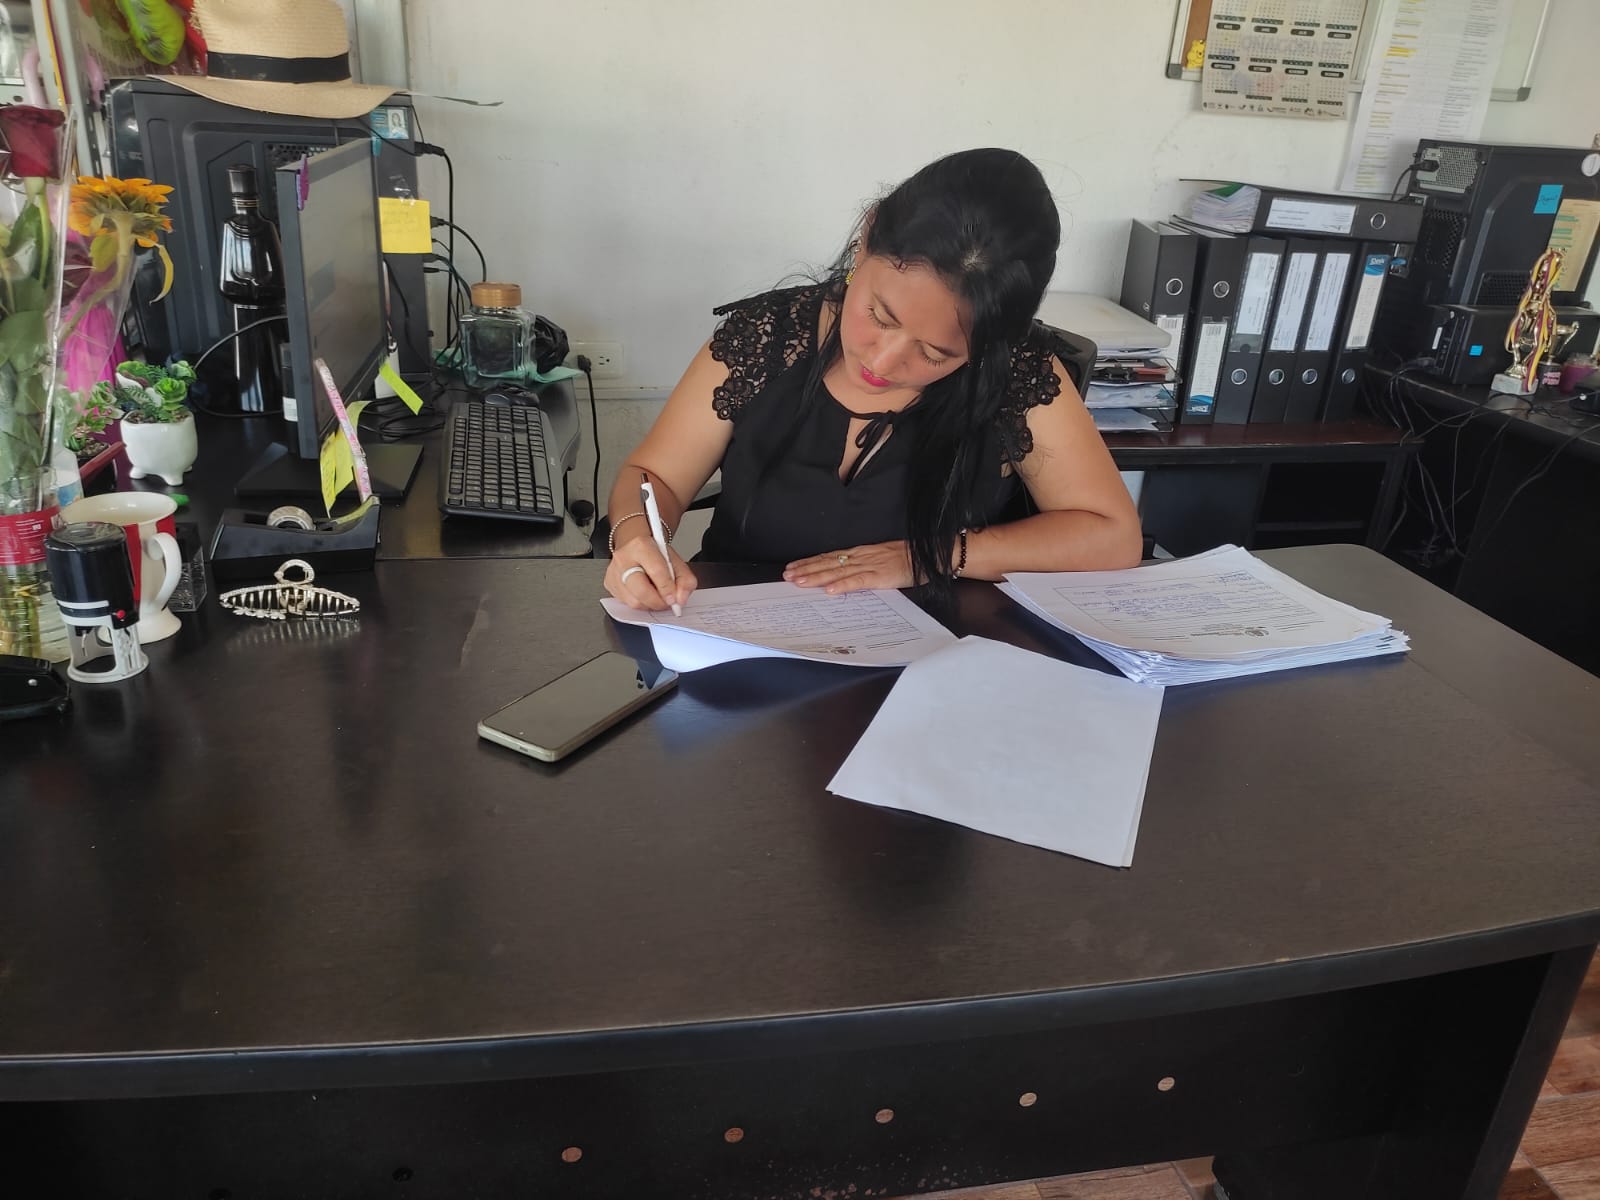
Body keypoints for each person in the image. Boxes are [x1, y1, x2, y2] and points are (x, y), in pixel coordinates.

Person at [604, 148, 1142, 612]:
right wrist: (637, 543)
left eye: (934, 353)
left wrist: (934, 555)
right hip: (733, 645)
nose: (883, 362)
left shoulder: (1017, 374)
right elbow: (655, 475)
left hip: (927, 668)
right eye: (879, 316)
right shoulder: (765, 338)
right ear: (865, 238)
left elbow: (1113, 536)